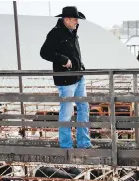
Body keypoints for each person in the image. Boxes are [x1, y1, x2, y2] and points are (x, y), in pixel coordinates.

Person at [40, 6, 94, 149]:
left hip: (78, 77)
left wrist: (80, 67)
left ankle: (84, 143)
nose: (77, 22)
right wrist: (63, 60)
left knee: (83, 107)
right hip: (66, 80)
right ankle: (66, 146)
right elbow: (44, 52)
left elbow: (75, 53)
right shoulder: (55, 33)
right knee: (66, 112)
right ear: (67, 19)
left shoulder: (72, 32)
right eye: (75, 19)